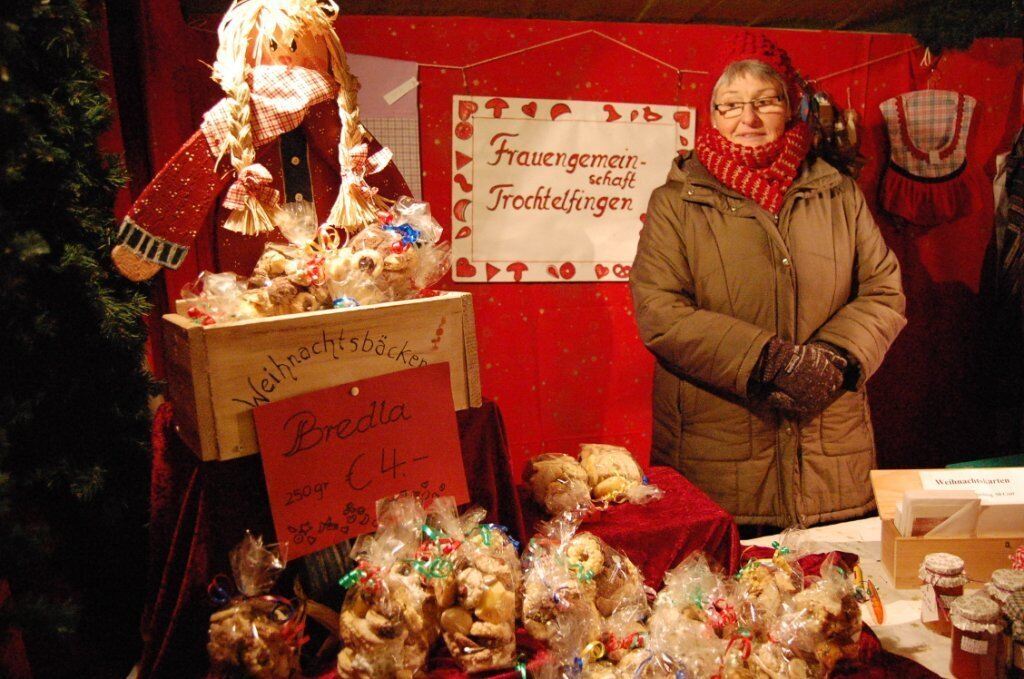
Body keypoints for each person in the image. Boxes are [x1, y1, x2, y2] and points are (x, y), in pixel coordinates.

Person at [629, 34, 906, 529]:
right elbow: (661, 313)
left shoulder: (837, 192)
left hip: (831, 462)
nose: (748, 120)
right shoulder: (675, 201)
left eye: (765, 101)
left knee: (840, 599)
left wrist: (834, 360)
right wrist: (769, 362)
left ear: (791, 105)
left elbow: (884, 291)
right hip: (716, 464)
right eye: (730, 105)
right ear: (711, 115)